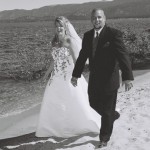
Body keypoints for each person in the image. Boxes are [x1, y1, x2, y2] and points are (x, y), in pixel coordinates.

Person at [71, 8, 134, 149]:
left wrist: (127, 77)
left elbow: (123, 55)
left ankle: (104, 138)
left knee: (106, 111)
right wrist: (75, 75)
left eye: (99, 17)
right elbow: (82, 56)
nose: (97, 20)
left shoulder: (113, 34)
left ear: (104, 18)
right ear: (91, 20)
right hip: (94, 78)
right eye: (94, 18)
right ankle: (112, 115)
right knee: (92, 102)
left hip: (110, 79)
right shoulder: (87, 36)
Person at [35, 16, 101, 137]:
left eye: (61, 26)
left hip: (69, 75)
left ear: (65, 27)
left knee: (73, 100)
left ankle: (77, 125)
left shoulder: (69, 40)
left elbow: (77, 60)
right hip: (55, 77)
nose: (59, 28)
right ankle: (54, 128)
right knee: (54, 102)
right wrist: (46, 75)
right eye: (56, 26)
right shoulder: (53, 41)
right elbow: (54, 61)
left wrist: (76, 76)